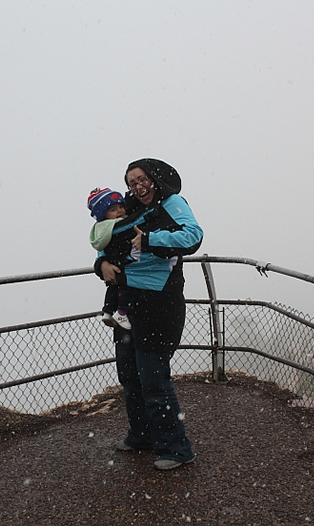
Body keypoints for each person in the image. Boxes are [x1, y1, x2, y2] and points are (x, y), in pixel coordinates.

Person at [94, 158, 203, 471]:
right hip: (129, 303)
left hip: (160, 304)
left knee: (154, 380)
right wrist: (100, 264)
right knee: (129, 376)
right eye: (131, 182)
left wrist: (152, 239)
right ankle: (142, 436)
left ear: (156, 178)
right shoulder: (129, 210)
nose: (137, 186)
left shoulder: (171, 203)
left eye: (142, 179)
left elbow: (193, 236)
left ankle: (177, 449)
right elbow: (107, 240)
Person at [87, 187, 133, 330]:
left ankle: (107, 311)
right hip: (124, 263)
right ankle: (121, 312)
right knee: (127, 287)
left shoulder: (100, 229)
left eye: (120, 206)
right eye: (113, 209)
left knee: (113, 288)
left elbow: (102, 248)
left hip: (112, 263)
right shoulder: (119, 225)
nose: (119, 211)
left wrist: (103, 262)